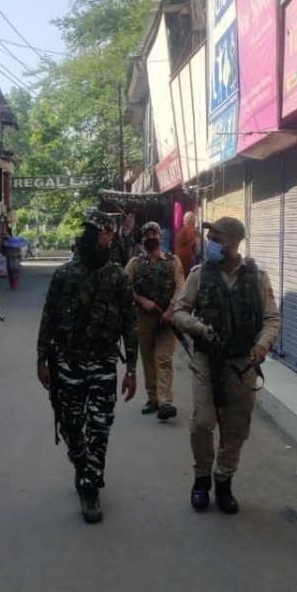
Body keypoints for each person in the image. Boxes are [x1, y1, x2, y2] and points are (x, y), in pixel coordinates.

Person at [172, 217, 280, 514]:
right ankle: (201, 479)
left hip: (242, 363)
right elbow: (179, 312)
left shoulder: (257, 277)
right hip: (207, 360)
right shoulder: (200, 274)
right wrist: (199, 328)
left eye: (216, 239)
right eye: (210, 238)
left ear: (234, 243)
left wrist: (262, 345)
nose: (210, 243)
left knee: (236, 427)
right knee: (202, 422)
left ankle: (223, 480)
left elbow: (271, 319)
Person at [37, 211, 138, 524]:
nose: (91, 237)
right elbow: (48, 317)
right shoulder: (65, 274)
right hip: (67, 361)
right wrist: (41, 359)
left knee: (99, 425)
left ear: (110, 237)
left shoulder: (119, 278)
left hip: (104, 361)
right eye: (89, 231)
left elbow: (130, 324)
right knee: (70, 423)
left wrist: (131, 369)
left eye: (98, 232)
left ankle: (90, 486)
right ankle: (80, 460)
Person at [125, 221, 185, 421]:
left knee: (164, 359)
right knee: (148, 360)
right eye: (147, 234)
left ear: (161, 237)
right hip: (144, 319)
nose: (151, 237)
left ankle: (165, 401)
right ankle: (153, 398)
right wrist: (142, 300)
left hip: (166, 319)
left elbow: (180, 288)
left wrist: (170, 310)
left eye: (154, 234)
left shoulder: (173, 261)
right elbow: (123, 287)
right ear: (142, 239)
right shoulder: (135, 263)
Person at [175, 211, 200, 277]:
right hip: (185, 257)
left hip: (180, 256)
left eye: (184, 219)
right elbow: (198, 242)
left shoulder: (185, 229)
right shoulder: (189, 230)